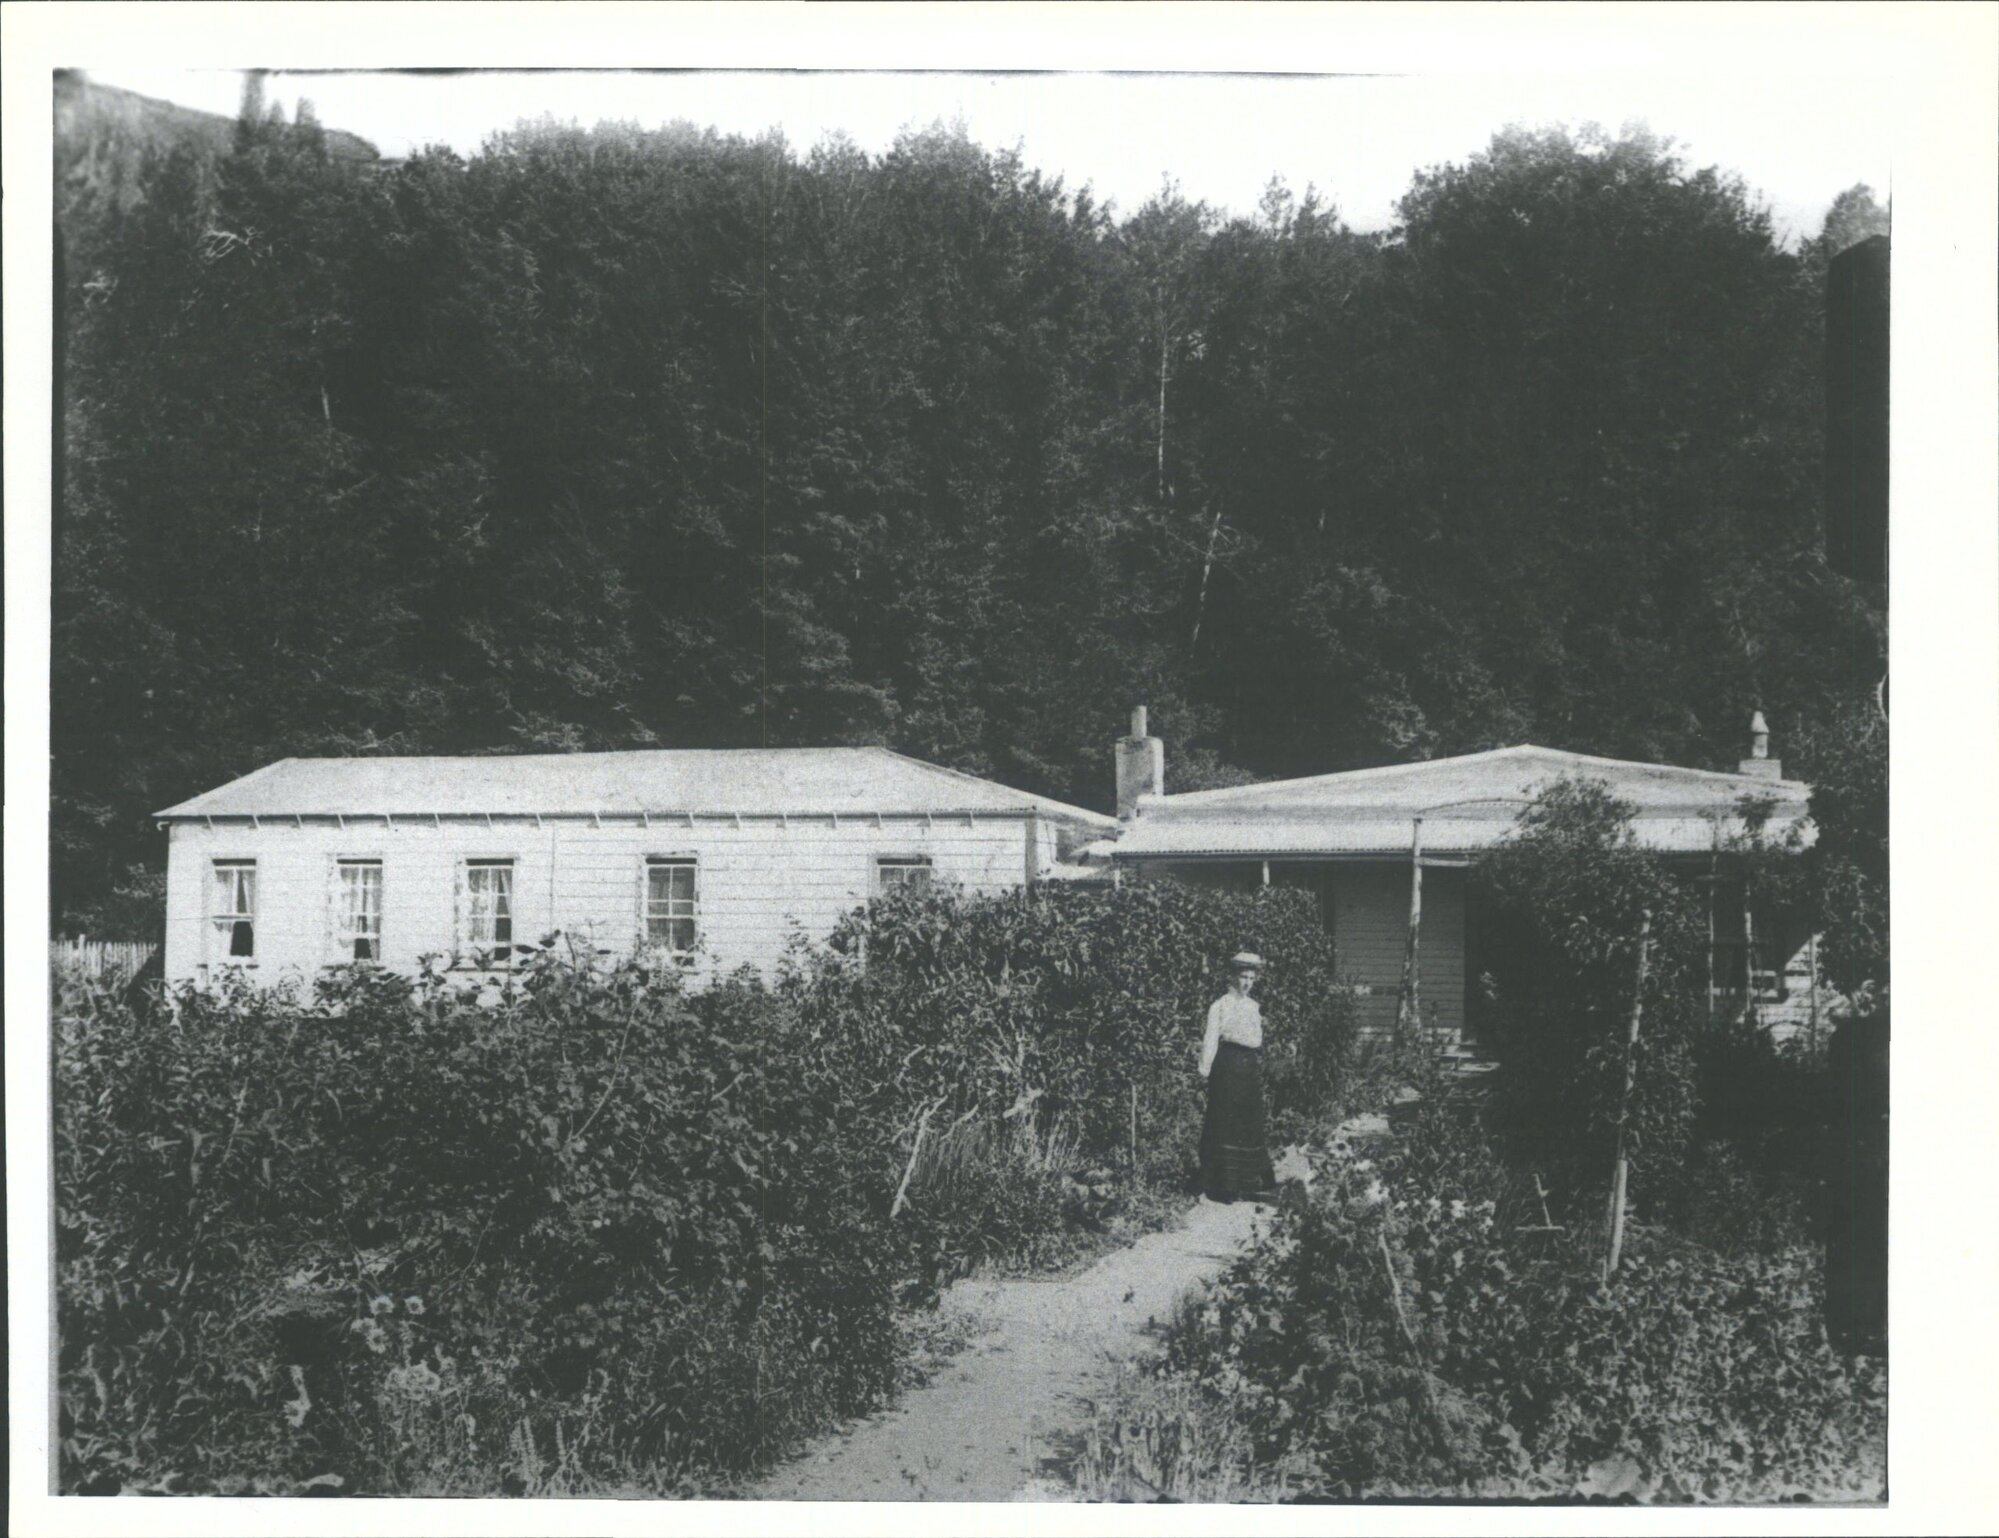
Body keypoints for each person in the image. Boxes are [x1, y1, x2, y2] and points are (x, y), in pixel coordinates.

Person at [1198, 951, 1277, 1203]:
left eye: (1251, 978)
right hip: (1227, 1067)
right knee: (1225, 1121)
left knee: (1248, 1122)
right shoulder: (1220, 1006)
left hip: (1248, 1068)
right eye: (1243, 977)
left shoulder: (1254, 1007)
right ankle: (1223, 1186)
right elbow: (1210, 1039)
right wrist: (1205, 1069)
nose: (1247, 983)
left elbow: (1257, 1040)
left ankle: (1248, 1182)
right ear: (1233, 977)